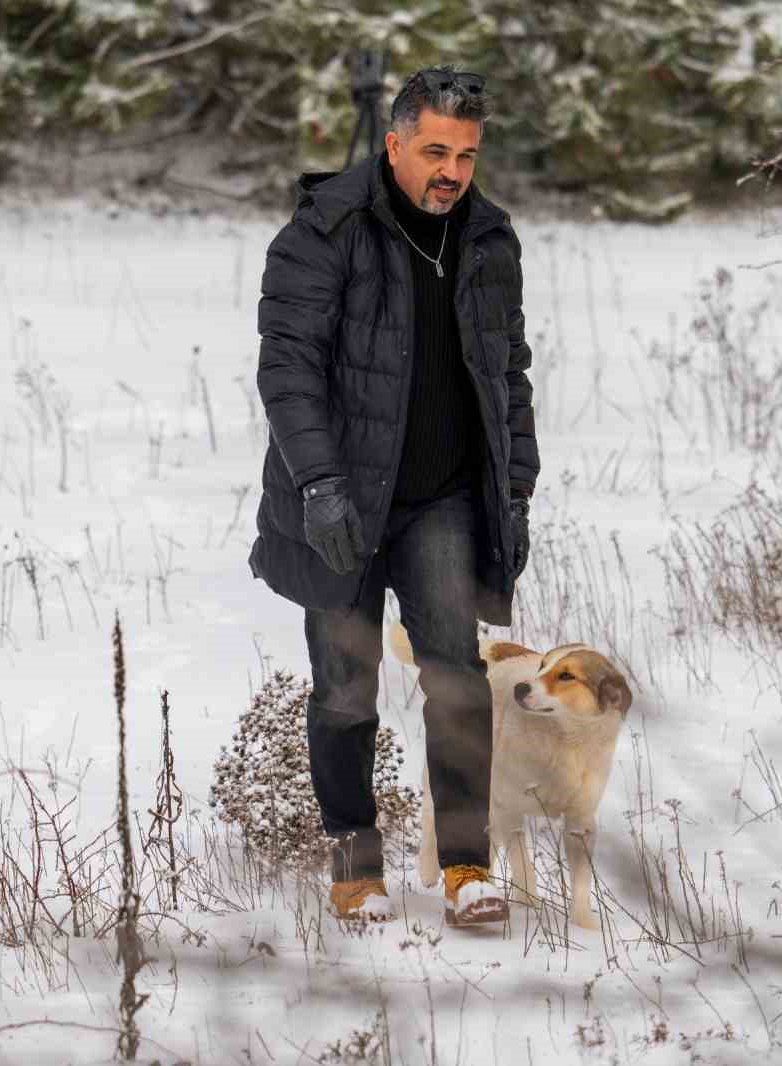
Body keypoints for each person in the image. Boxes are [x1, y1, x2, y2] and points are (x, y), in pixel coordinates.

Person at [248, 66, 540, 925]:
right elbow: (288, 370)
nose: (452, 172)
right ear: (394, 143)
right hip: (341, 497)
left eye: (467, 155)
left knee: (457, 680)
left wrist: (514, 492)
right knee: (345, 688)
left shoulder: (488, 238)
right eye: (435, 152)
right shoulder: (326, 228)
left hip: (441, 500)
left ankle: (466, 866)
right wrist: (319, 484)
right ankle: (355, 868)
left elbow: (508, 375)